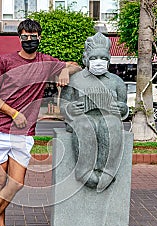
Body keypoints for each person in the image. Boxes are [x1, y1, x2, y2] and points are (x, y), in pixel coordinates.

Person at [0, 18, 81, 226]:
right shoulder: (6, 61)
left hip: (24, 133)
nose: (29, 40)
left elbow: (76, 65)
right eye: (25, 36)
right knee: (0, 182)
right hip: (1, 128)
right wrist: (12, 113)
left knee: (17, 183)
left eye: (34, 36)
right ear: (19, 37)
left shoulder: (45, 62)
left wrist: (64, 70)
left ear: (39, 37)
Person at [60, 32, 128, 192]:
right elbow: (64, 104)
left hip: (108, 117)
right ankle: (85, 170)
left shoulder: (116, 82)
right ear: (85, 59)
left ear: (109, 60)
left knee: (110, 125)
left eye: (103, 59)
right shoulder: (75, 80)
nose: (99, 62)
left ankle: (107, 170)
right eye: (94, 58)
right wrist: (71, 109)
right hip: (82, 119)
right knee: (85, 126)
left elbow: (124, 106)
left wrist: (121, 108)